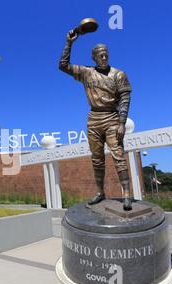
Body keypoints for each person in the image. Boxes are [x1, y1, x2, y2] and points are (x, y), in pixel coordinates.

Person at [59, 29, 132, 210]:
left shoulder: (118, 74)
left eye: (106, 54)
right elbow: (63, 65)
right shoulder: (86, 72)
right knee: (97, 158)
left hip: (112, 117)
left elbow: (125, 98)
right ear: (94, 58)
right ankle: (100, 192)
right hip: (93, 118)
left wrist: (122, 123)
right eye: (101, 55)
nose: (104, 57)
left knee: (118, 155)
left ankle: (127, 193)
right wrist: (69, 42)